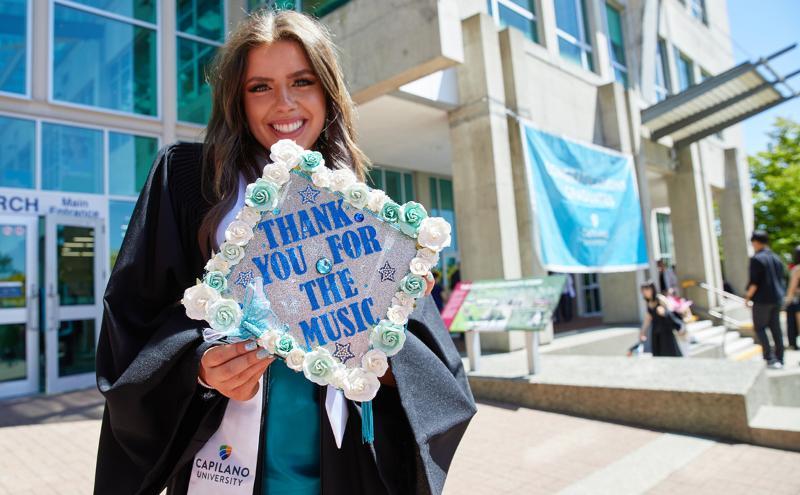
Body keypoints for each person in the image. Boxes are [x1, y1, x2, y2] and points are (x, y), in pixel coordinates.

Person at [93, 10, 476, 495]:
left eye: (302, 81)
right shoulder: (190, 180)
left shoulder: (361, 209)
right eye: (260, 87)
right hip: (224, 463)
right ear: (237, 100)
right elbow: (132, 321)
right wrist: (201, 368)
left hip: (340, 467)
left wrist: (387, 333)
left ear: (328, 92)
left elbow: (434, 380)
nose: (284, 104)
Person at [744, 230, 786, 369]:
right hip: (777, 298)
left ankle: (770, 358)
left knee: (760, 328)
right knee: (776, 328)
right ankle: (780, 358)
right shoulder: (776, 258)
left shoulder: (757, 259)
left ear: (755, 242)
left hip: (762, 300)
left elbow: (754, 283)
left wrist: (747, 297)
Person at [639, 281, 684, 357]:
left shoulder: (660, 299)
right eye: (643, 290)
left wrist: (664, 312)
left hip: (666, 330)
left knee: (669, 352)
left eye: (647, 289)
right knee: (657, 353)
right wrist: (643, 332)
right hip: (656, 331)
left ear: (652, 289)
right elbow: (648, 319)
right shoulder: (649, 302)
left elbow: (671, 312)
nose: (645, 292)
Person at [784, 246, 800, 351]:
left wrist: (787, 301)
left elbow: (792, 288)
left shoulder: (797, 269)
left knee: (796, 326)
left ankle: (794, 344)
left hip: (797, 301)